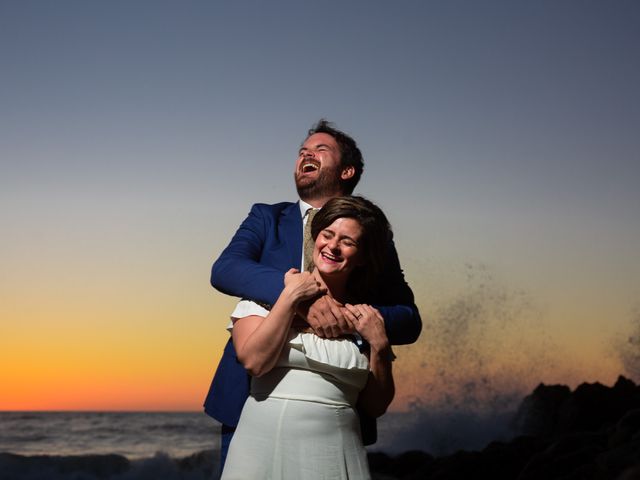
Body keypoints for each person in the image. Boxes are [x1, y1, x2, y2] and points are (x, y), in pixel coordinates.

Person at [203, 120, 421, 471]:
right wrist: (304, 299)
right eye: (303, 150)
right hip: (249, 402)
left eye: (321, 150)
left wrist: (347, 316)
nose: (306, 153)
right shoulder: (266, 217)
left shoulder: (375, 236)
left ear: (347, 170)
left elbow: (409, 319)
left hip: (340, 409)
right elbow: (225, 270)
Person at [221, 196, 396, 479]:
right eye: (327, 235)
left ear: (363, 256)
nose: (333, 247)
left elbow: (376, 405)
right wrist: (291, 296)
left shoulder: (365, 317)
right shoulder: (269, 297)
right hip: (260, 443)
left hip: (335, 447)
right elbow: (254, 362)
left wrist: (380, 345)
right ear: (315, 238)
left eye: (347, 242)